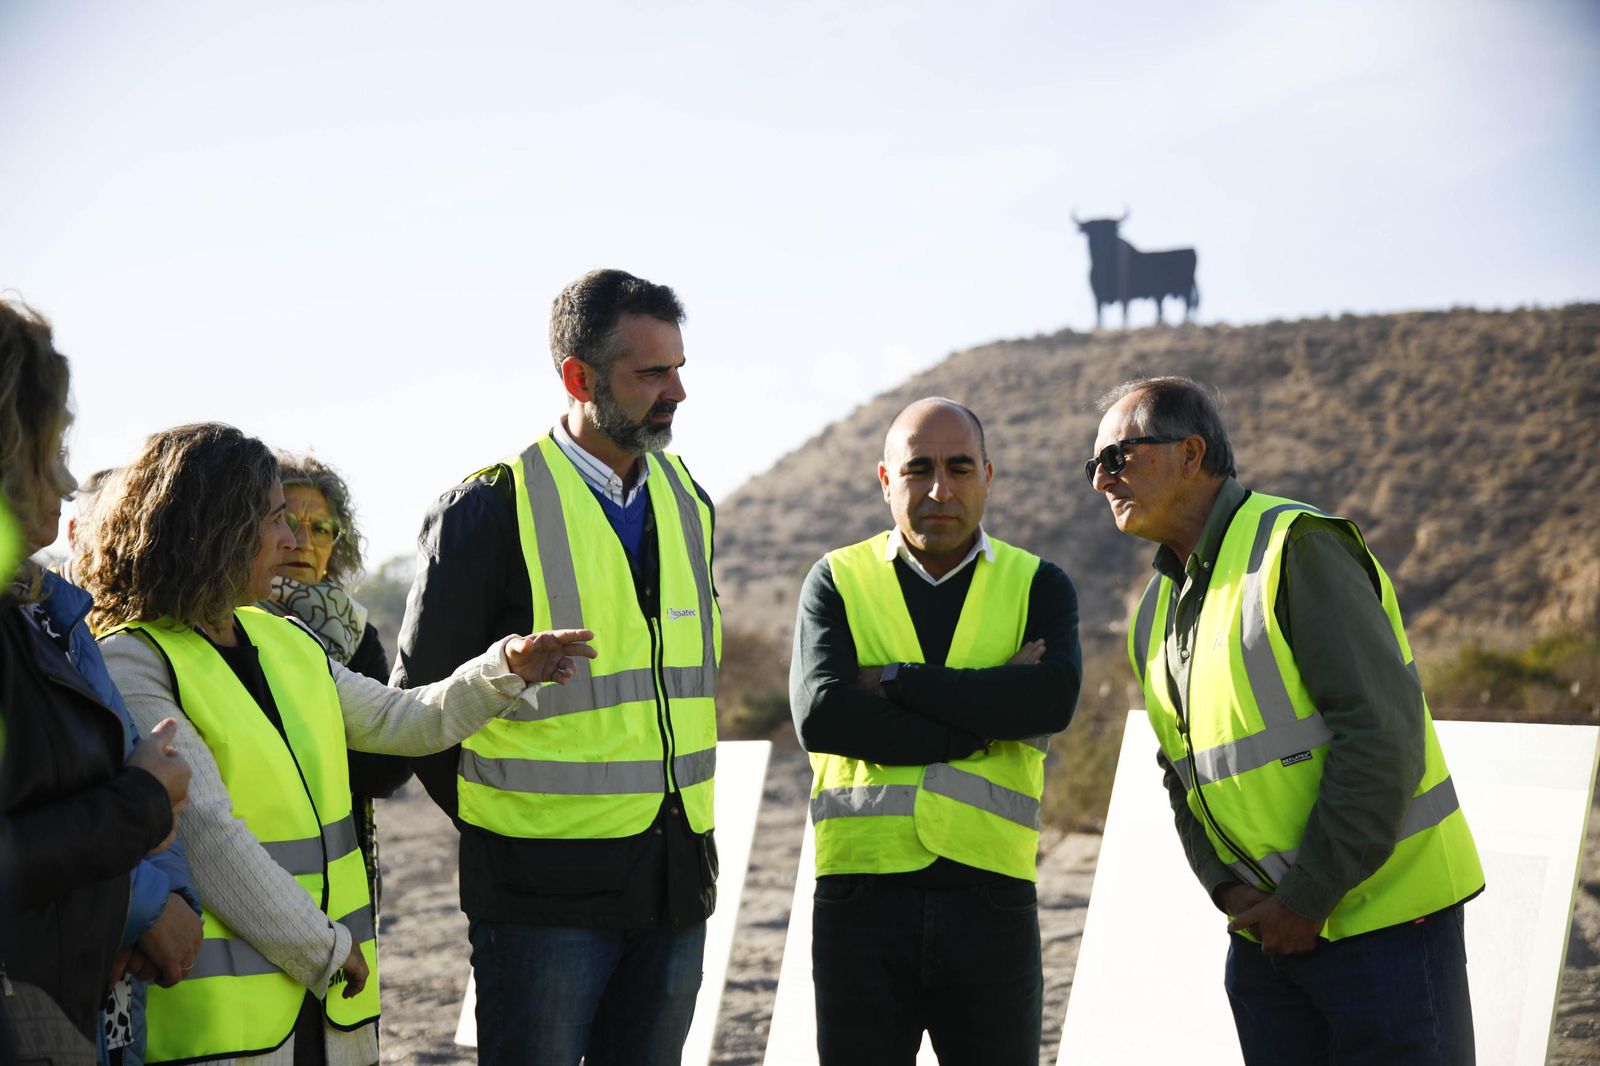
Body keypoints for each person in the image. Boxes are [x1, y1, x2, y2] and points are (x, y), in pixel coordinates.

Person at [80, 422, 596, 1066]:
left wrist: (505, 669)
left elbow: (403, 720)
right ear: (215, 530)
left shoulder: (285, 641)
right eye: (275, 519)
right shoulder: (133, 661)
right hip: (228, 1028)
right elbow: (211, 839)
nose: (292, 540)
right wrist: (323, 947)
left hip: (325, 1011)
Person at [1089, 375, 1484, 1064]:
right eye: (1093, 465)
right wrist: (1226, 888)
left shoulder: (1296, 545)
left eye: (1117, 457)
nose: (1101, 480)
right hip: (1268, 944)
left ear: (1190, 454)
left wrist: (1306, 898)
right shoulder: (1153, 613)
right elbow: (1180, 772)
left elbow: (1381, 736)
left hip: (1387, 931)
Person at [394, 268, 720, 1066]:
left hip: (675, 890)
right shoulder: (486, 510)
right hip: (541, 906)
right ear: (579, 377)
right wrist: (509, 836)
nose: (677, 392)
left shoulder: (690, 502)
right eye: (652, 373)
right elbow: (419, 713)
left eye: (679, 368)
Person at [790, 397, 1082, 1065]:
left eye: (959, 468)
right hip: (861, 897)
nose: (940, 490)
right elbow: (824, 715)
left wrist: (896, 680)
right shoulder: (835, 580)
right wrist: (980, 721)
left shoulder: (1040, 584)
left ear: (988, 476)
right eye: (918, 469)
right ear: (886, 481)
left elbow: (1050, 701)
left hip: (992, 898)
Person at [0, 298, 193, 1052]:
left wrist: (141, 908)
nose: (66, 476)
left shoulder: (37, 614)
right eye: (51, 447)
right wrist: (141, 805)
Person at [259, 453, 411, 914]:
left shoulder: (355, 632)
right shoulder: (224, 624)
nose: (303, 542)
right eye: (287, 522)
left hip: (341, 868)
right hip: (254, 866)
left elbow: (385, 769)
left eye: (322, 528)